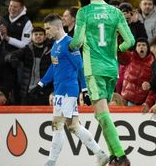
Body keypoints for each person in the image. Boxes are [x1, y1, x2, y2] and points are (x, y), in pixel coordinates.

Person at [69, 0, 135, 166]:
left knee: (102, 113)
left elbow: (78, 41)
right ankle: (114, 155)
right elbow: (130, 41)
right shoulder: (115, 12)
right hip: (112, 69)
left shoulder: (84, 13)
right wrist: (117, 49)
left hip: (94, 68)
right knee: (100, 114)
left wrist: (70, 47)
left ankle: (121, 156)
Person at [29, 14, 109, 166]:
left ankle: (51, 162)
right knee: (73, 126)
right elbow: (54, 66)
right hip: (61, 90)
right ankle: (100, 154)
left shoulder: (69, 43)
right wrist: (41, 84)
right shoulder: (55, 45)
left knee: (57, 125)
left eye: (48, 28)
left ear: (58, 27)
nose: (46, 32)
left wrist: (85, 89)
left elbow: (81, 66)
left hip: (66, 91)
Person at [5, 27, 52, 105]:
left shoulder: (50, 50)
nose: (38, 36)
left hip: (44, 92)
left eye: (41, 34)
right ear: (31, 36)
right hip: (27, 93)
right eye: (35, 34)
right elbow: (8, 56)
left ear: (45, 37)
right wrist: (14, 60)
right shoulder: (26, 50)